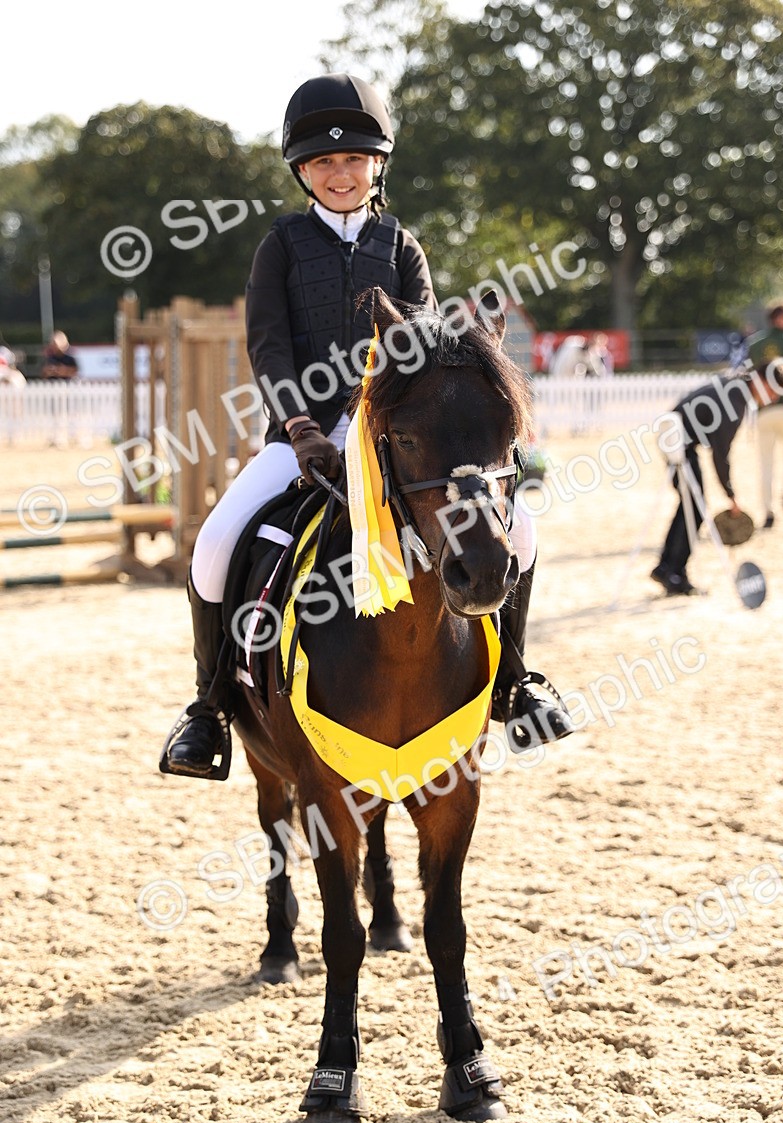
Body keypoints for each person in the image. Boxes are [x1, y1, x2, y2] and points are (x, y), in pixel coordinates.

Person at [162, 72, 573, 778]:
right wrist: (299, 426)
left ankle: (514, 683)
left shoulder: (402, 245)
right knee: (216, 543)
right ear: (302, 171)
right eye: (324, 162)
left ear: (376, 164)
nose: (340, 173)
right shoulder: (281, 247)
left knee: (522, 532)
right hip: (301, 440)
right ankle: (210, 709)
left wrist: (385, 428)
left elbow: (426, 345)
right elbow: (269, 346)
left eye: (353, 159)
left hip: (393, 441)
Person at [651, 361, 783, 596]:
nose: (773, 399)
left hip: (674, 437)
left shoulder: (736, 387)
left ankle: (667, 567)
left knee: (690, 506)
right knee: (695, 507)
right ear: (765, 382)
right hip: (679, 443)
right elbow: (720, 453)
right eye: (773, 392)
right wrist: (730, 494)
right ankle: (672, 572)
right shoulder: (736, 401)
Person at [741, 299, 783, 528]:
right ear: (779, 317)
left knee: (765, 462)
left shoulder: (754, 343)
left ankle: (766, 511)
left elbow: (743, 373)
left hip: (763, 409)